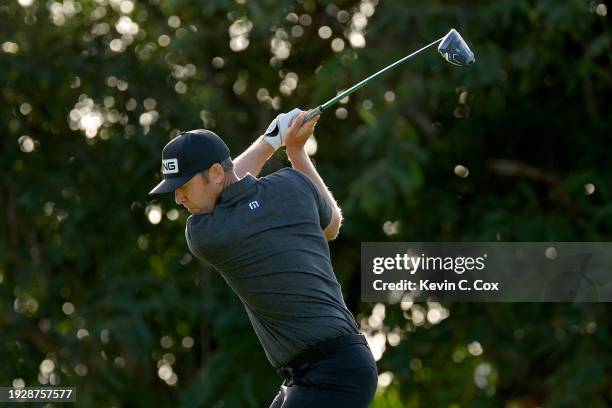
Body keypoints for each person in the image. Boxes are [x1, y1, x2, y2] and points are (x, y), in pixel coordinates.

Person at [149, 111, 378, 407]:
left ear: (216, 173)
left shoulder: (207, 233)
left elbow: (233, 193)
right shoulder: (293, 184)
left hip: (333, 372)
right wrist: (293, 150)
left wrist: (270, 143)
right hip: (327, 368)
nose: (179, 200)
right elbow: (332, 225)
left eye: (183, 187)